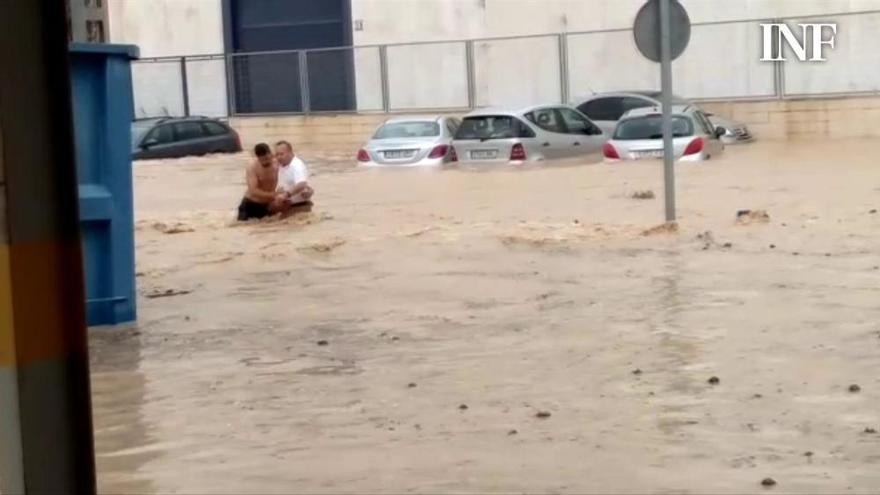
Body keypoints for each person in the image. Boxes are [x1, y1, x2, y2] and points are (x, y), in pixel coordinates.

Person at [237, 143, 285, 221]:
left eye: (268, 158)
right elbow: (253, 191)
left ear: (271, 154)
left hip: (268, 205)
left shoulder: (278, 162)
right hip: (251, 205)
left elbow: (291, 171)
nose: (266, 162)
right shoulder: (252, 167)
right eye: (263, 160)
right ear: (258, 158)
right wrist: (273, 195)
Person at [273, 140, 314, 214]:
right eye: (277, 154)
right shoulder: (281, 164)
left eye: (281, 154)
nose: (279, 157)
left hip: (300, 207)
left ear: (290, 152)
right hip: (286, 207)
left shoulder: (296, 165)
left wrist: (285, 195)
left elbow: (301, 183)